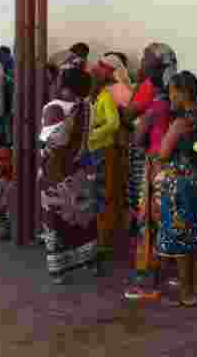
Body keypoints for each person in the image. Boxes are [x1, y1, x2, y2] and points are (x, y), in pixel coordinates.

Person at [153, 71, 197, 307]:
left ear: (182, 92)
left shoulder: (180, 122)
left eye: (172, 92)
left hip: (180, 183)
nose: (170, 97)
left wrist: (156, 153)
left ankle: (187, 292)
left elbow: (164, 153)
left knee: (181, 237)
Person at [124, 43, 177, 299]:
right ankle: (168, 273)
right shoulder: (173, 97)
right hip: (168, 166)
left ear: (157, 68)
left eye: (146, 58)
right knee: (164, 218)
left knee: (149, 221)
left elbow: (136, 133)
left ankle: (149, 280)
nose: (141, 62)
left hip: (154, 165)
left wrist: (139, 124)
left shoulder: (155, 100)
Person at [39, 67, 98, 284]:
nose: (54, 83)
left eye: (59, 80)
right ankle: (87, 259)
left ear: (66, 87)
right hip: (78, 171)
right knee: (81, 216)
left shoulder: (54, 108)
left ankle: (59, 269)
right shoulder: (87, 107)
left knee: (55, 218)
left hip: (56, 174)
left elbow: (52, 142)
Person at [90, 59, 123, 251]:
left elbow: (114, 123)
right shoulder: (91, 99)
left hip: (104, 151)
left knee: (104, 196)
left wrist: (94, 133)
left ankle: (104, 241)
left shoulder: (105, 97)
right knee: (93, 197)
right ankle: (96, 238)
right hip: (93, 152)